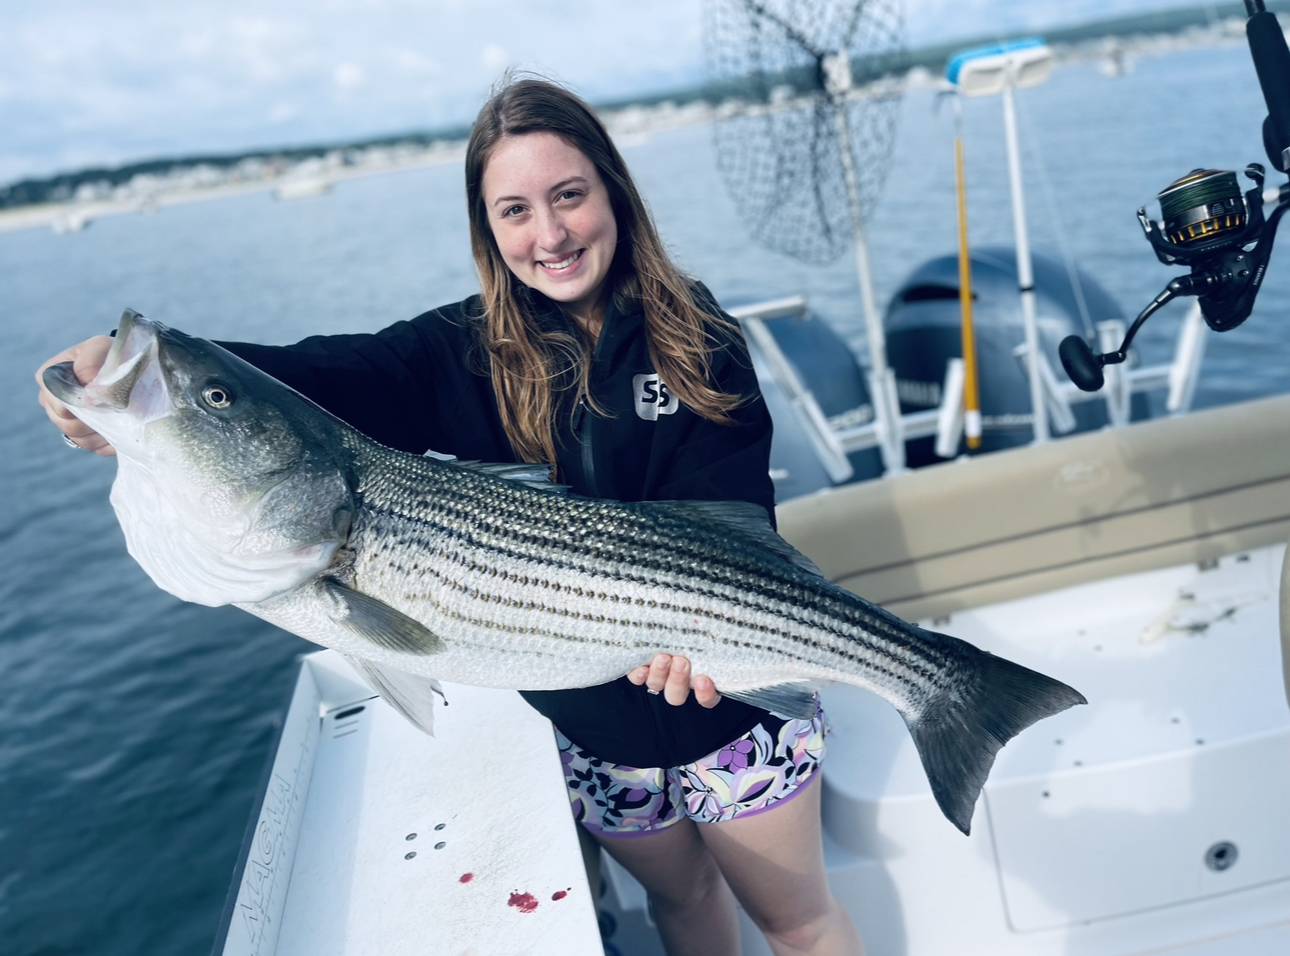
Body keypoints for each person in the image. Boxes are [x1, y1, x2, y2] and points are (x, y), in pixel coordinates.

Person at [36, 77, 863, 956]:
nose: (548, 234)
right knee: (685, 907)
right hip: (597, 734)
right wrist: (138, 380)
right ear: (488, 229)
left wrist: (714, 644)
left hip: (728, 706)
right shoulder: (459, 351)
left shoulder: (702, 338)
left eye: (569, 195)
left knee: (795, 920)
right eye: (514, 210)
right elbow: (320, 379)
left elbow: (734, 519)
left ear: (613, 191)